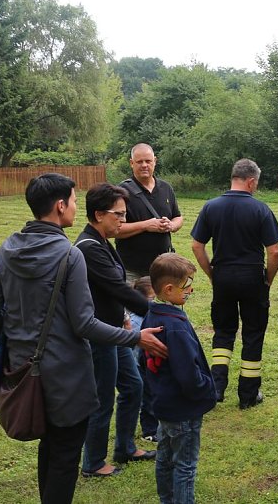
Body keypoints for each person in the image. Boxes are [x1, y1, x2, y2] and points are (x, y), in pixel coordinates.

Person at [0, 173, 168, 504]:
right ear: (60, 206)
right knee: (64, 456)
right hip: (67, 377)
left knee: (50, 448)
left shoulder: (5, 251)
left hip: (22, 371)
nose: (77, 208)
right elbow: (85, 324)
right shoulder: (70, 255)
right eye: (75, 201)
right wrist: (136, 338)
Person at [75, 183, 157, 478]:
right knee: (102, 398)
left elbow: (109, 289)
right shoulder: (88, 247)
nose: (123, 220)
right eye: (118, 214)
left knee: (133, 386)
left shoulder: (101, 242)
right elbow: (118, 288)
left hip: (116, 329)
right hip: (100, 335)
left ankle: (125, 448)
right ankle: (93, 463)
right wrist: (158, 313)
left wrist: (123, 316)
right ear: (99, 214)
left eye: (124, 214)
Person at [191, 159, 278, 409]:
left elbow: (196, 246)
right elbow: (274, 252)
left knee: (223, 331)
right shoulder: (260, 209)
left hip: (223, 277)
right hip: (252, 277)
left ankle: (216, 388)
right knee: (253, 333)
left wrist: (211, 273)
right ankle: (248, 395)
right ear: (251, 182)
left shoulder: (211, 207)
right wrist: (268, 279)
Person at [143, 252, 217, 504]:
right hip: (184, 409)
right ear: (168, 289)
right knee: (185, 465)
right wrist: (206, 389)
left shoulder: (153, 316)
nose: (191, 290)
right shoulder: (175, 327)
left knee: (164, 458)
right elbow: (188, 374)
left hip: (164, 405)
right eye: (187, 285)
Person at [116, 143, 183, 281]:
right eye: (139, 162)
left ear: (155, 161)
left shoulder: (166, 188)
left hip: (163, 268)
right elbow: (114, 230)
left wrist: (171, 225)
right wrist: (145, 225)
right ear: (131, 163)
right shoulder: (121, 191)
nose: (144, 165)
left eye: (148, 161)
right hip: (132, 270)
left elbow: (178, 217)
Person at [129, 276, 160, 442]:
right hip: (140, 366)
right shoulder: (135, 321)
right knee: (147, 398)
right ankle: (149, 431)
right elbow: (133, 349)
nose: (154, 302)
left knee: (155, 394)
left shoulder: (153, 317)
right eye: (151, 299)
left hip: (152, 363)